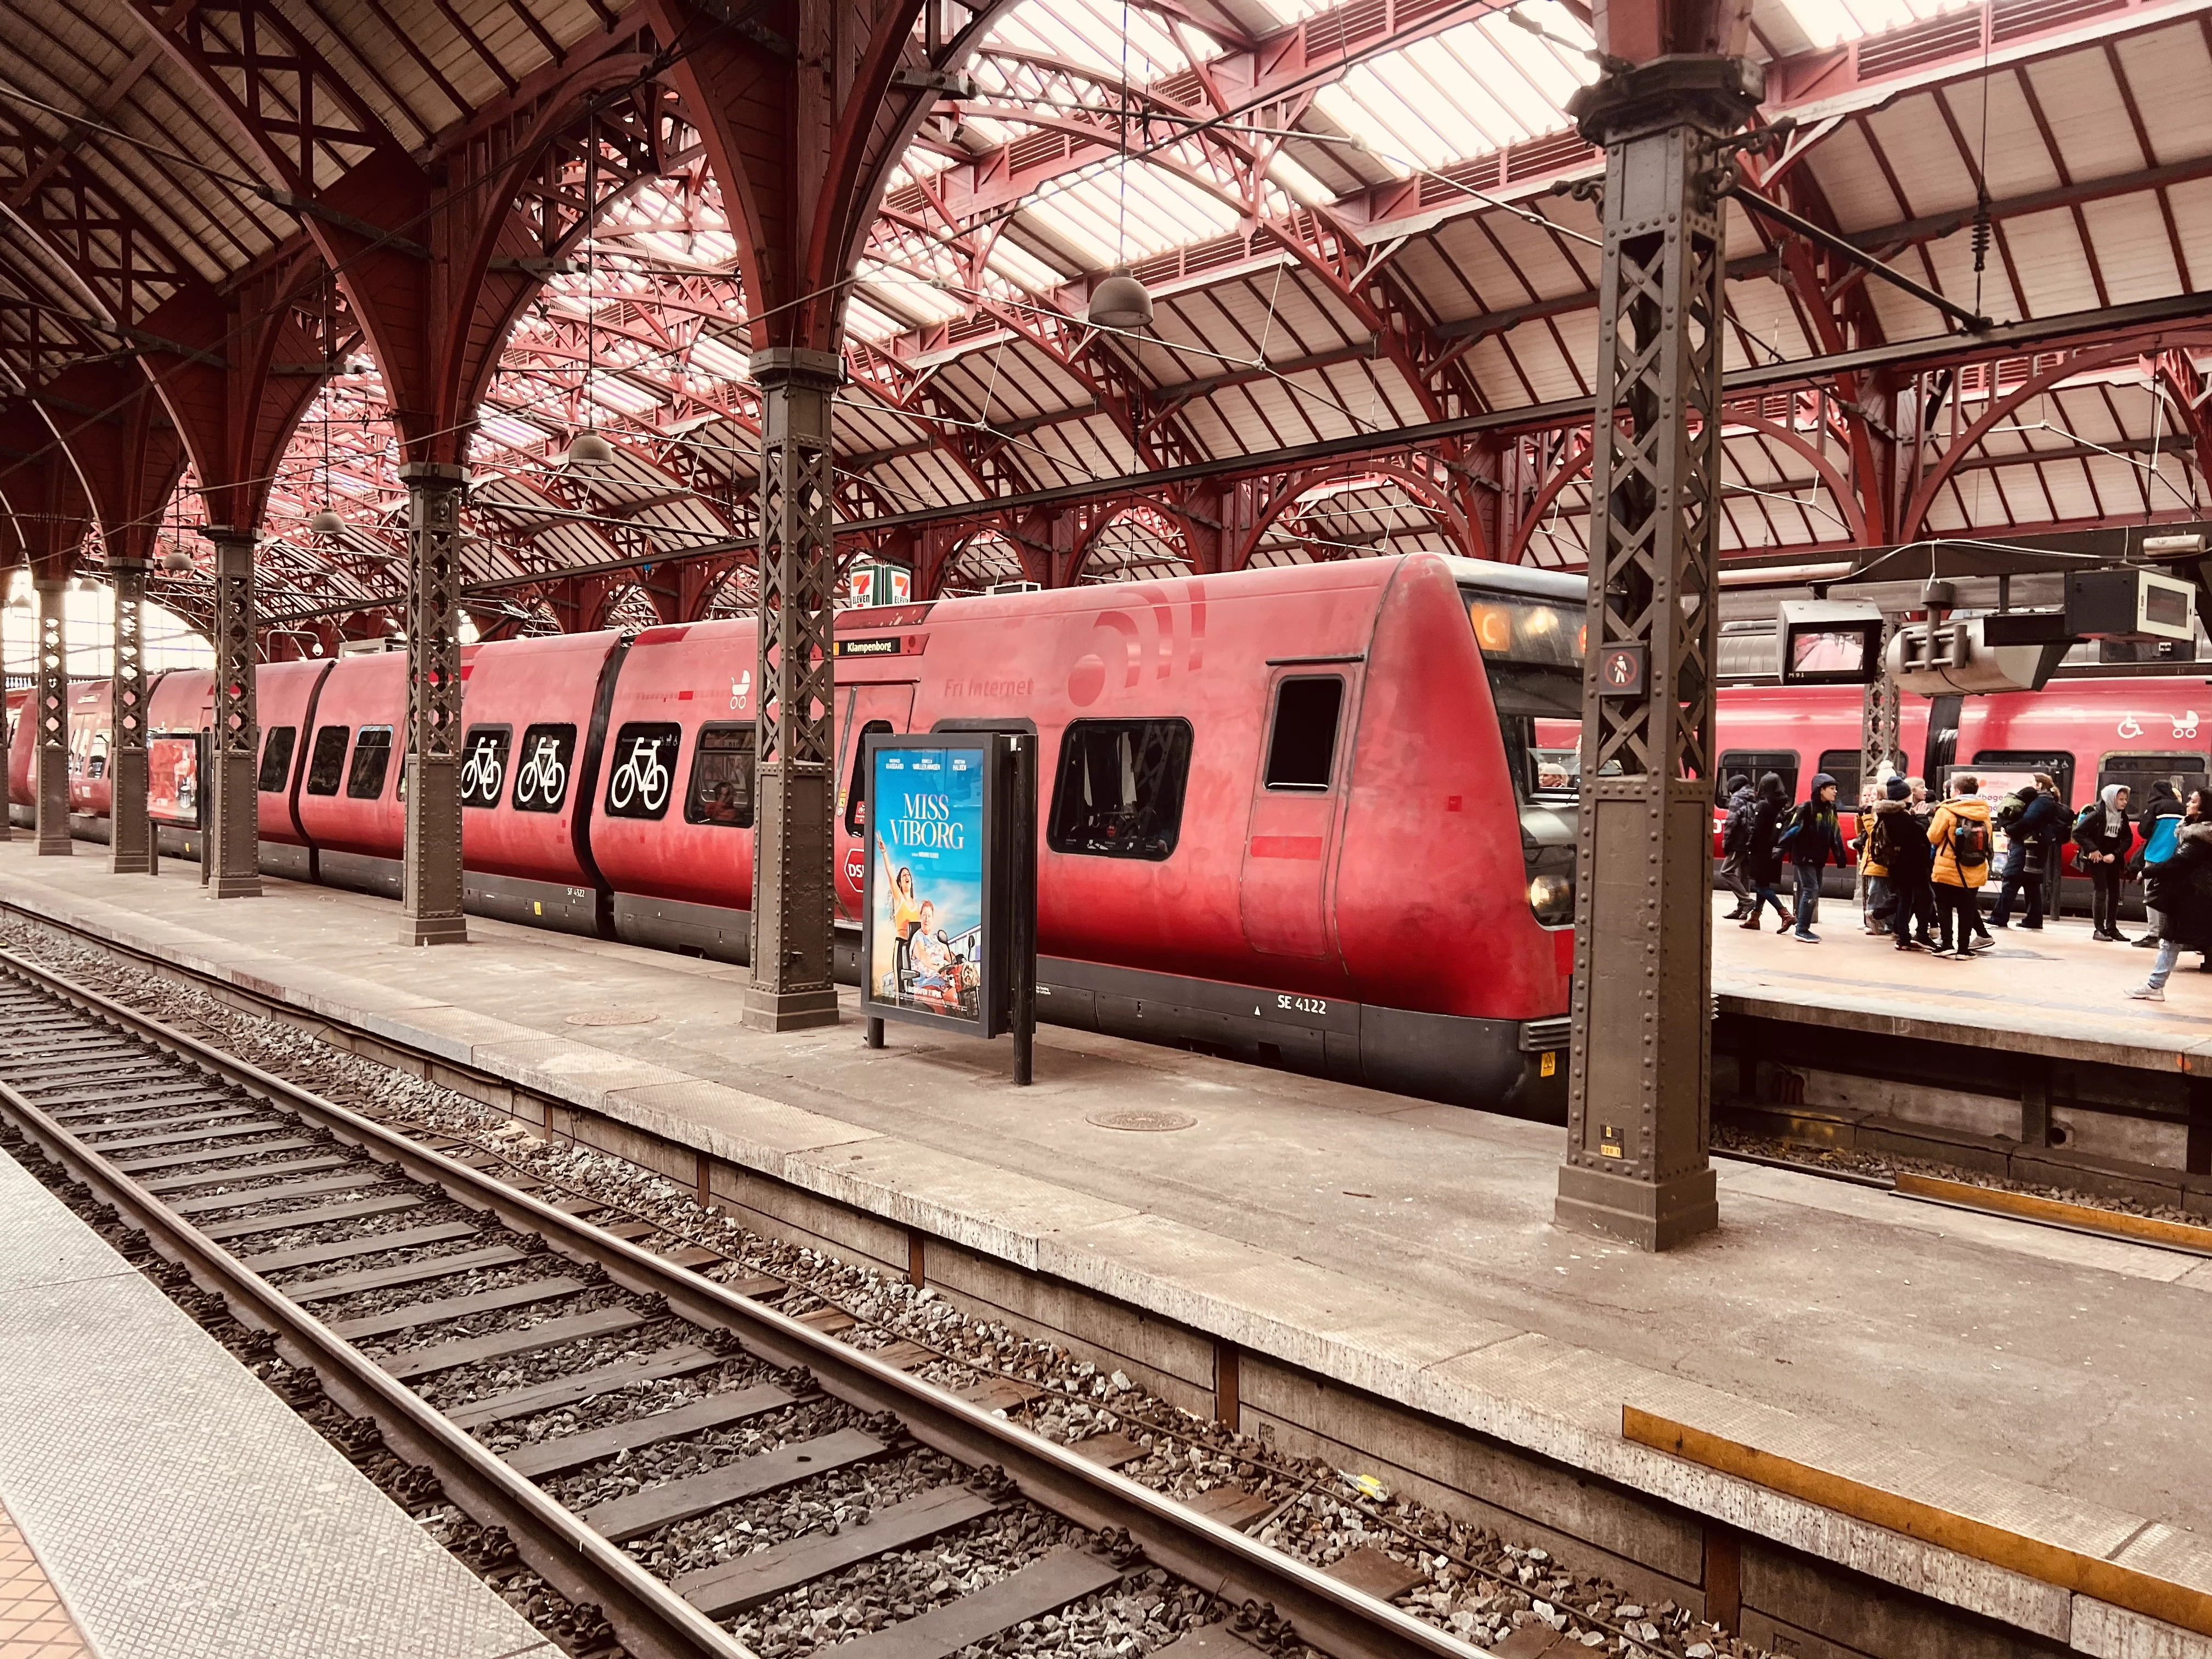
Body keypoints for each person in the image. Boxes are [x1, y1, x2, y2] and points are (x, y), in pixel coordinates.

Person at [2129, 791, 2212, 1000]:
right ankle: (2154, 985)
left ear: (2204, 808)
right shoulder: (2195, 834)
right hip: (2195, 896)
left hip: (2193, 897)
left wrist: (2147, 871)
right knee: (2170, 941)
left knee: (2170, 940)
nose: (2188, 804)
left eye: (2193, 801)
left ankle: (2155, 986)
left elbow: (2179, 864)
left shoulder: (2199, 838)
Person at [1927, 774, 1995, 958]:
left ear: (1957, 791)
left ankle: (1947, 944)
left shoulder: (1946, 811)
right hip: (1974, 869)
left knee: (1944, 905)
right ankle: (1963, 950)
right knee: (1966, 908)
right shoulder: (1983, 813)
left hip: (1947, 868)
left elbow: (1933, 837)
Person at [1990, 774, 2068, 931]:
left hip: (2026, 847)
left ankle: (1999, 917)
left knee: (2011, 878)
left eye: (2031, 782)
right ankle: (2034, 919)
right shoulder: (2047, 800)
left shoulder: (2042, 801)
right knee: (2031, 883)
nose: (2029, 784)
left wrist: (2010, 830)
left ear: (2039, 785)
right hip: (2035, 847)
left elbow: (2028, 820)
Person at [1872, 776, 1938, 951]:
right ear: (1905, 796)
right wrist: (1923, 818)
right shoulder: (1899, 816)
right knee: (1926, 897)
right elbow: (1919, 835)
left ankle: (1904, 937)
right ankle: (1919, 935)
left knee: (1906, 900)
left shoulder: (1889, 814)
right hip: (1911, 867)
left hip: (1899, 866)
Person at [1781, 772, 1845, 942]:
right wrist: (1779, 850)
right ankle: (1802, 929)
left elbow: (1835, 832)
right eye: (1832, 788)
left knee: (1815, 890)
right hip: (1804, 856)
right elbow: (1792, 830)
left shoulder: (1831, 809)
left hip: (1819, 856)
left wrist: (1840, 855)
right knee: (1811, 889)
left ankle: (1803, 927)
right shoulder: (1806, 808)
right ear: (1821, 790)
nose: (1835, 792)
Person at [2073, 784, 2136, 941]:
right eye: (2120, 799)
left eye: (2125, 799)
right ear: (2110, 799)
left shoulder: (2122, 817)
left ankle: (2112, 928)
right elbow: (2078, 833)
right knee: (2101, 890)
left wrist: (2116, 854)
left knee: (2115, 893)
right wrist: (2093, 850)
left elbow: (2128, 838)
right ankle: (2099, 929)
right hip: (2097, 858)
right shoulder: (2096, 815)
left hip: (2113, 858)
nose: (2124, 802)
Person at [2129, 778, 2186, 947]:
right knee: (2173, 898)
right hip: (2177, 859)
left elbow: (2144, 831)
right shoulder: (2182, 809)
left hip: (2155, 857)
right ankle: (2171, 934)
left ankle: (2153, 935)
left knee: (2152, 896)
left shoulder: (2155, 807)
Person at [1739, 772, 1792, 931]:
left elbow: (1757, 829)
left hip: (1760, 851)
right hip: (1774, 851)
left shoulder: (1763, 805)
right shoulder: (1781, 804)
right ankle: (1755, 918)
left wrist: (1749, 843)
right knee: (1763, 883)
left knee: (1760, 886)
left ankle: (1785, 914)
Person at [1719, 773, 1755, 919]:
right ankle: (1742, 910)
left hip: (1738, 843)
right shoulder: (1753, 798)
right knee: (1744, 875)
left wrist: (1726, 841)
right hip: (1750, 842)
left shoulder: (1737, 799)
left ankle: (1746, 902)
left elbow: (1731, 822)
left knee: (1726, 872)